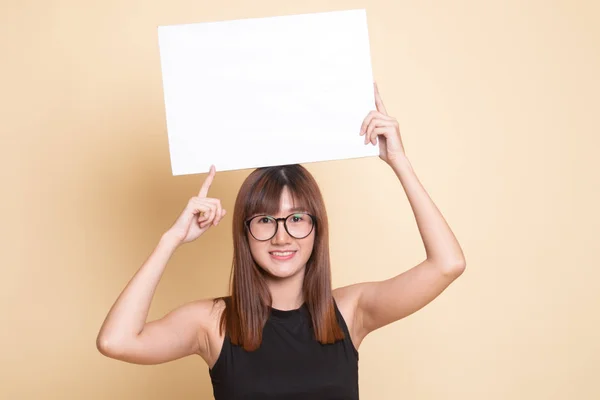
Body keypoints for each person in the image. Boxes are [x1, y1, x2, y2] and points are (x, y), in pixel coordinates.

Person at [96, 84, 466, 399]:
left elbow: (448, 264)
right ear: (244, 232)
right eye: (265, 220)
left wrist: (399, 161)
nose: (282, 235)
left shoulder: (352, 311)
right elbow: (116, 341)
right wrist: (171, 239)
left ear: (317, 229)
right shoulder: (212, 323)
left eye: (297, 219)